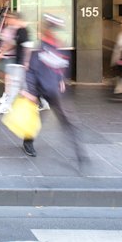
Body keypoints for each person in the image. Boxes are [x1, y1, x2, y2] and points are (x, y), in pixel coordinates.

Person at [20, 14, 84, 168]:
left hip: (53, 88)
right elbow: (30, 71)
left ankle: (79, 151)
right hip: (40, 88)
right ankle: (28, 142)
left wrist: (61, 79)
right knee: (37, 118)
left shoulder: (57, 46)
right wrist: (30, 91)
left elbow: (60, 66)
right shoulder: (39, 48)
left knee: (65, 120)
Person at [0, 11, 32, 114]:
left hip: (21, 63)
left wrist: (26, 62)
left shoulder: (23, 31)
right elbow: (13, 43)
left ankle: (7, 105)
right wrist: (3, 52)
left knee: (15, 85)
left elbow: (28, 47)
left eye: (11, 19)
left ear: (17, 20)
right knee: (22, 85)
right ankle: (42, 102)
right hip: (19, 62)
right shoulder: (19, 30)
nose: (9, 21)